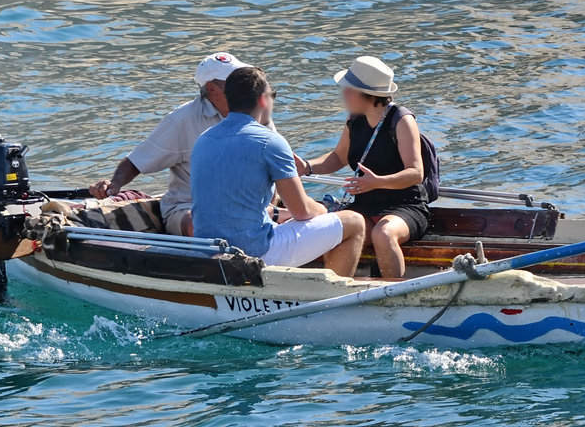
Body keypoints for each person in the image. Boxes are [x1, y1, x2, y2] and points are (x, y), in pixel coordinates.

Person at [90, 52, 309, 236]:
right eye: (234, 80)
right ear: (213, 90)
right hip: (191, 208)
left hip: (253, 205)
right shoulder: (182, 119)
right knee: (204, 225)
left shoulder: (257, 110)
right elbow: (137, 161)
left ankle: (274, 217)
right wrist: (115, 185)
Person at [190, 66, 365, 274]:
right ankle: (332, 299)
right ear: (263, 100)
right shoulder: (269, 141)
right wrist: (323, 211)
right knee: (354, 222)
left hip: (206, 249)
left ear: (228, 99)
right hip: (253, 251)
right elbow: (302, 211)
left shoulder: (203, 140)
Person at [303, 56, 430, 279]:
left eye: (349, 90)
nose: (344, 94)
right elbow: (337, 158)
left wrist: (377, 182)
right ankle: (335, 293)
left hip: (404, 206)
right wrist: (305, 167)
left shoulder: (401, 120)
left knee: (383, 234)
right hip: (365, 206)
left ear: (368, 95)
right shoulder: (354, 120)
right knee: (334, 232)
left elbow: (416, 173)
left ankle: (394, 296)